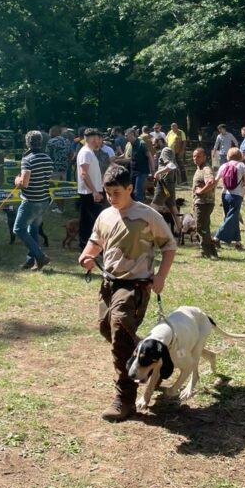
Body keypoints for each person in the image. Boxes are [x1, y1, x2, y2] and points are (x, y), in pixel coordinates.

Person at [78, 162, 177, 423]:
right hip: (108, 284)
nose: (111, 198)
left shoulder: (148, 215)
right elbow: (96, 241)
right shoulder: (105, 215)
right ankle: (143, 352)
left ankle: (124, 399)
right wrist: (88, 256)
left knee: (120, 333)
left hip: (135, 286)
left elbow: (169, 245)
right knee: (106, 329)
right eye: (108, 193)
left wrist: (161, 276)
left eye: (117, 193)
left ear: (130, 188)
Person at [13, 130, 53, 271]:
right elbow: (47, 177)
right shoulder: (47, 158)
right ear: (41, 142)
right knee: (33, 229)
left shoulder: (27, 159)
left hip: (31, 200)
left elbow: (24, 183)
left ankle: (40, 256)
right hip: (44, 199)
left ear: (27, 143)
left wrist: (17, 179)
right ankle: (32, 261)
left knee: (18, 229)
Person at [214, 147, 245, 248]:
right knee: (231, 217)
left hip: (225, 194)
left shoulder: (223, 165)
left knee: (231, 218)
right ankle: (216, 238)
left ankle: (238, 242)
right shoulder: (241, 165)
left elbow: (216, 180)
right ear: (239, 155)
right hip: (237, 195)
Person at [76, 128, 106, 251]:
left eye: (97, 138)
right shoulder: (86, 153)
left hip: (92, 191)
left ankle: (85, 245)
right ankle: (89, 246)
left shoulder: (89, 152)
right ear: (87, 139)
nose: (96, 141)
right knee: (93, 221)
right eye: (93, 139)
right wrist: (94, 191)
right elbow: (84, 174)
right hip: (90, 192)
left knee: (88, 221)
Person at [191, 147, 218, 259]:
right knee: (204, 226)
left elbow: (211, 182)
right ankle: (212, 251)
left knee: (200, 227)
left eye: (198, 156)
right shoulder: (199, 169)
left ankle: (204, 251)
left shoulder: (206, 169)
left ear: (204, 157)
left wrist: (201, 191)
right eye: (194, 156)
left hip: (204, 203)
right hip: (201, 202)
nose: (195, 158)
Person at [123, 127, 153, 202]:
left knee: (138, 193)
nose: (125, 137)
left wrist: (153, 170)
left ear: (132, 134)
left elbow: (150, 157)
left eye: (126, 135)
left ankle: (139, 211)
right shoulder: (131, 144)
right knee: (131, 192)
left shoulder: (141, 143)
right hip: (133, 172)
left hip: (142, 172)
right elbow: (131, 159)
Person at [151, 145, 179, 225]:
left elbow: (171, 166)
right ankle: (180, 229)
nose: (152, 144)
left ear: (160, 141)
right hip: (169, 183)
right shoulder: (166, 151)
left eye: (154, 143)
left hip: (164, 183)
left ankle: (150, 228)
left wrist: (158, 172)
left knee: (154, 206)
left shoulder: (165, 150)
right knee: (172, 207)